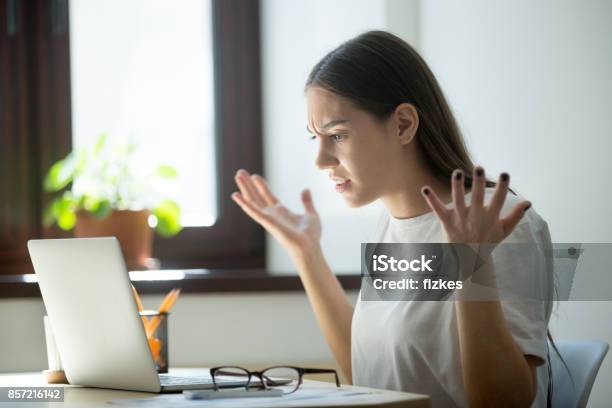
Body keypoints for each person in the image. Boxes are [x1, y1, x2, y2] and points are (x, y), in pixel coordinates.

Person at [231, 30, 553, 408]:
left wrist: (471, 263)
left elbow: (504, 403)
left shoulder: (499, 225)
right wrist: (306, 254)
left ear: (403, 124)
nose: (321, 160)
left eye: (337, 135)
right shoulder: (392, 225)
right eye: (314, 138)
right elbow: (371, 379)